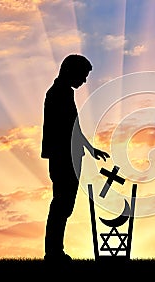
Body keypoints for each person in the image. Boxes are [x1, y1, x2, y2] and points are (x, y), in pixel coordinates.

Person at [41, 54, 109, 263]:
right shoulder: (59, 93)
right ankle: (53, 252)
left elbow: (74, 129)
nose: (85, 80)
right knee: (62, 203)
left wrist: (90, 149)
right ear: (72, 71)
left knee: (64, 203)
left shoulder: (62, 92)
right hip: (63, 157)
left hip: (67, 155)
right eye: (83, 75)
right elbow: (68, 130)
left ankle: (55, 251)